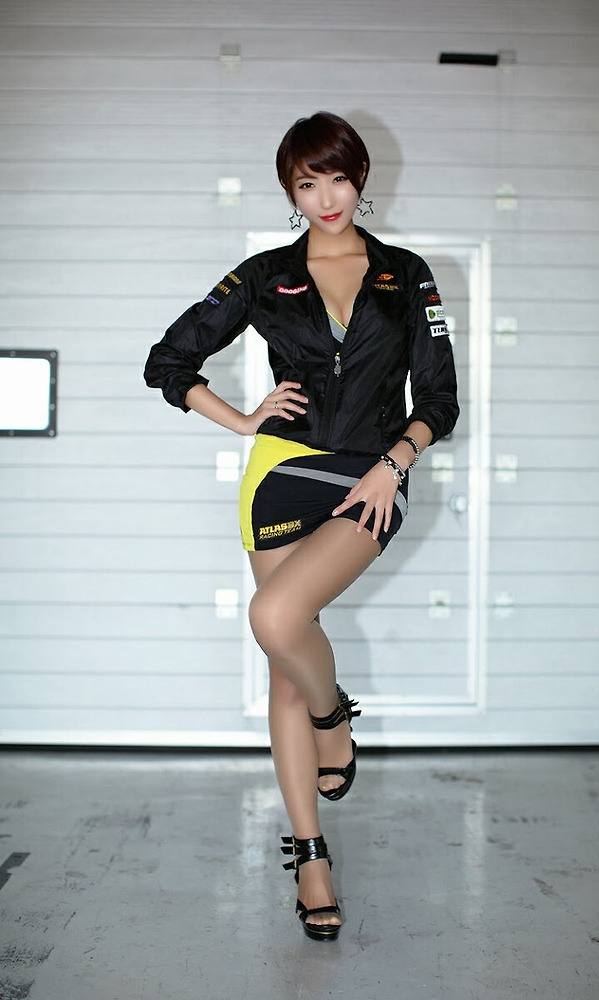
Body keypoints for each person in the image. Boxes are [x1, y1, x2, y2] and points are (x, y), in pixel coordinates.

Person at [144, 111, 459, 942]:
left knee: (277, 618)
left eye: (337, 178)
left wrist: (395, 463)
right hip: (280, 478)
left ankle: (333, 720)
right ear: (290, 191)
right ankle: (311, 854)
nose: (325, 197)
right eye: (306, 183)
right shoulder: (264, 276)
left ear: (361, 179)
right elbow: (168, 361)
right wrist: (242, 420)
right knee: (284, 663)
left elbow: (440, 399)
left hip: (370, 479)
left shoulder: (406, 275)